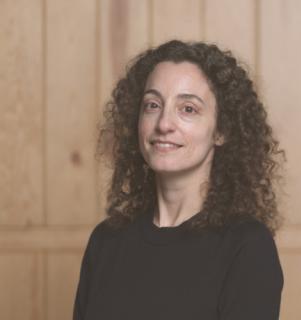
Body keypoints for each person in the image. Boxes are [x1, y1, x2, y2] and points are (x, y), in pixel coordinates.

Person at [73, 39, 286, 320]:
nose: (163, 124)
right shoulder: (106, 241)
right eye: (152, 105)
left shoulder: (247, 247)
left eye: (188, 109)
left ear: (221, 131)